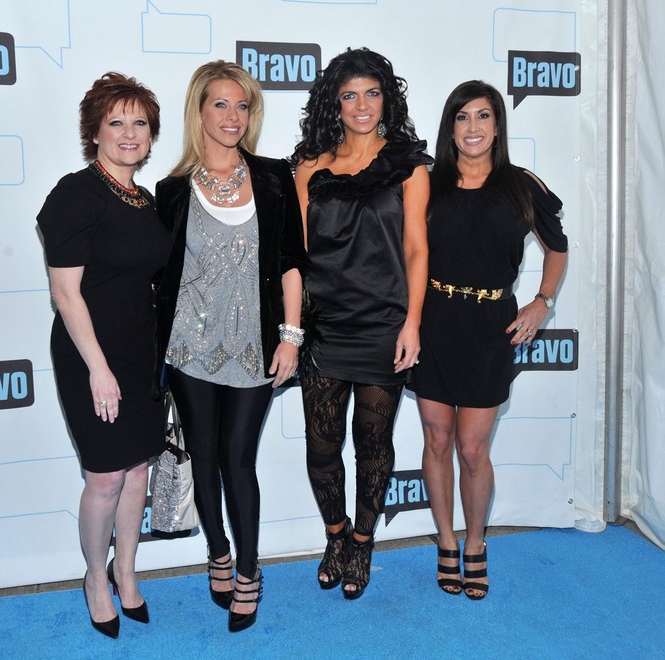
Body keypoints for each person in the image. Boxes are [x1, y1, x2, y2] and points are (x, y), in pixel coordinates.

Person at [154, 60, 306, 632]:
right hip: (188, 347)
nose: (233, 116)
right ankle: (216, 549)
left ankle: (247, 568)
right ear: (199, 111)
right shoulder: (172, 192)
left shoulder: (273, 177)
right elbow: (157, 275)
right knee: (205, 455)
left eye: (242, 106)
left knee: (239, 459)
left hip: (254, 346)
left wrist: (291, 336)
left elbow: (292, 262)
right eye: (220, 104)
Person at [408, 80, 568, 600]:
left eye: (483, 116)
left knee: (473, 448)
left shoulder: (522, 185)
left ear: (498, 126)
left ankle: (476, 541)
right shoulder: (427, 182)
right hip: (433, 323)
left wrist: (542, 302)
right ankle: (446, 540)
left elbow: (557, 247)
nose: (472, 127)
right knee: (437, 439)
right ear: (450, 128)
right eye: (462, 117)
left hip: (489, 329)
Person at [291, 47, 431, 599]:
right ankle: (336, 535)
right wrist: (293, 328)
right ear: (335, 104)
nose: (362, 105)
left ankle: (363, 543)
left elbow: (416, 249)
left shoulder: (409, 166)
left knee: (373, 445)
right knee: (321, 446)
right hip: (325, 325)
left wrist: (412, 322)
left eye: (372, 93)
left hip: (383, 324)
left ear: (387, 99)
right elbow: (298, 255)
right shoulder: (309, 167)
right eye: (349, 95)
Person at [37, 72, 168, 639]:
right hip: (90, 353)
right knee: (106, 477)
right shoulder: (75, 194)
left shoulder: (144, 198)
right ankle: (95, 576)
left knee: (138, 470)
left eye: (140, 122)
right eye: (116, 122)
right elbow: (65, 294)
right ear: (95, 132)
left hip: (141, 350)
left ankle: (127, 571)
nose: (129, 133)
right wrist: (98, 369)